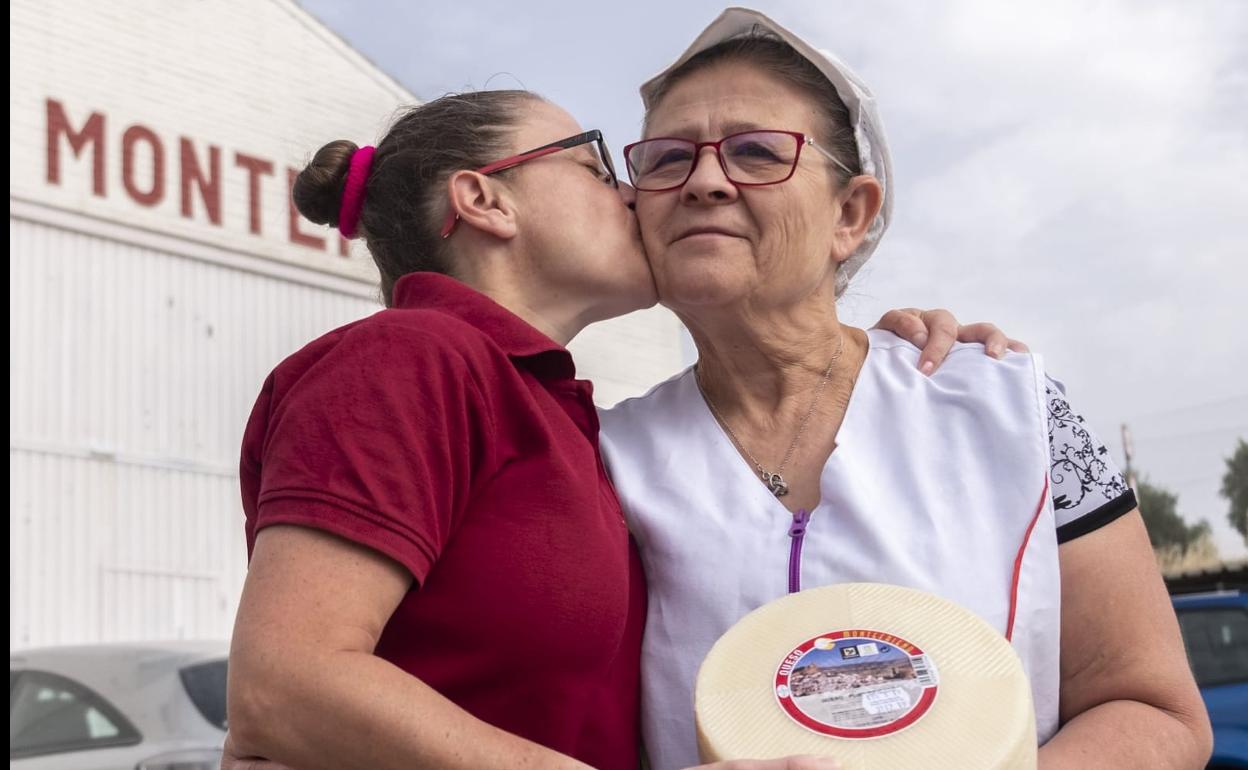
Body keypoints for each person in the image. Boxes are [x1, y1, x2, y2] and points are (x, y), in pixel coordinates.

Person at [223, 87, 1005, 770]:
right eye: (596, 168)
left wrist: (867, 355)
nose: (634, 195)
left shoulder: (560, 411)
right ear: (485, 200)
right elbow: (286, 681)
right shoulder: (411, 356)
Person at [599, 8, 1211, 770]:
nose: (705, 182)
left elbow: (1156, 709)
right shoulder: (600, 458)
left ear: (850, 215)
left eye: (757, 152)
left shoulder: (1010, 408)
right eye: (665, 159)